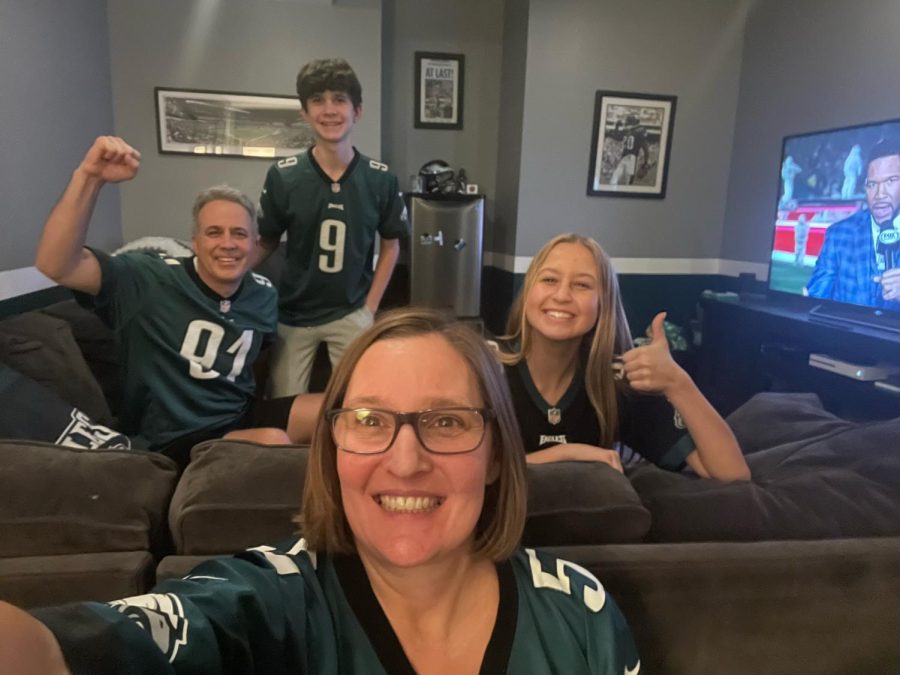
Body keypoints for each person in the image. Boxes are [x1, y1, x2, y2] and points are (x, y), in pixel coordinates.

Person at [0, 308, 641, 674]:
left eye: (446, 421)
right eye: (369, 421)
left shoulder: (576, 611)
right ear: (332, 451)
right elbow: (61, 652)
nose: (406, 460)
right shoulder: (267, 600)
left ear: (499, 455)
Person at [34, 136, 321, 466]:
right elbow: (55, 264)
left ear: (254, 243)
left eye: (239, 234)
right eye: (214, 232)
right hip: (173, 437)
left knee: (341, 413)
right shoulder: (147, 278)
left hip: (240, 417)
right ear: (195, 241)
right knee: (272, 441)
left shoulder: (263, 292)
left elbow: (256, 361)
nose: (228, 244)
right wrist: (89, 177)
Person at [498, 234, 750, 482]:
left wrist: (677, 382)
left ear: (603, 305)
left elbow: (732, 473)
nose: (562, 295)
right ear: (528, 292)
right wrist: (569, 454)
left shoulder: (617, 380)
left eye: (582, 285)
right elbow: (477, 468)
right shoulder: (487, 371)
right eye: (550, 279)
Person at [256, 58, 409, 396]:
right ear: (304, 112)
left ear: (357, 111)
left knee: (358, 401)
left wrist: (369, 308)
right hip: (295, 312)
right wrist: (225, 277)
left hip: (351, 309)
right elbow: (265, 241)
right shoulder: (285, 175)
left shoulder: (380, 178)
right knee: (284, 404)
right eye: (317, 101)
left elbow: (391, 244)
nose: (329, 110)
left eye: (339, 100)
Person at [806, 138, 900, 308]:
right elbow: (816, 299)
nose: (880, 194)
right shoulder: (839, 234)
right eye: (872, 184)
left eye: (890, 181)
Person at [608, 115, 649, 186]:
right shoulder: (637, 131)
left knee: (617, 180)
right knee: (622, 182)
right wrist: (645, 162)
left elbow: (616, 137)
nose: (625, 123)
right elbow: (646, 149)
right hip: (628, 158)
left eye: (627, 122)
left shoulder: (628, 131)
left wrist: (616, 127)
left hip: (629, 158)